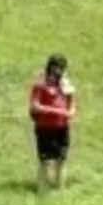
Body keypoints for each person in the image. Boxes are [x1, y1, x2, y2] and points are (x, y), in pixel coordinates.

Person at [28, 54, 77, 194]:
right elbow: (35, 106)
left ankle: (60, 188)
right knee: (45, 161)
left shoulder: (66, 85)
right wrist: (57, 111)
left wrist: (69, 112)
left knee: (61, 159)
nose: (57, 72)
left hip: (62, 127)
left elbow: (72, 107)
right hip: (45, 127)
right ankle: (42, 189)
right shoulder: (40, 84)